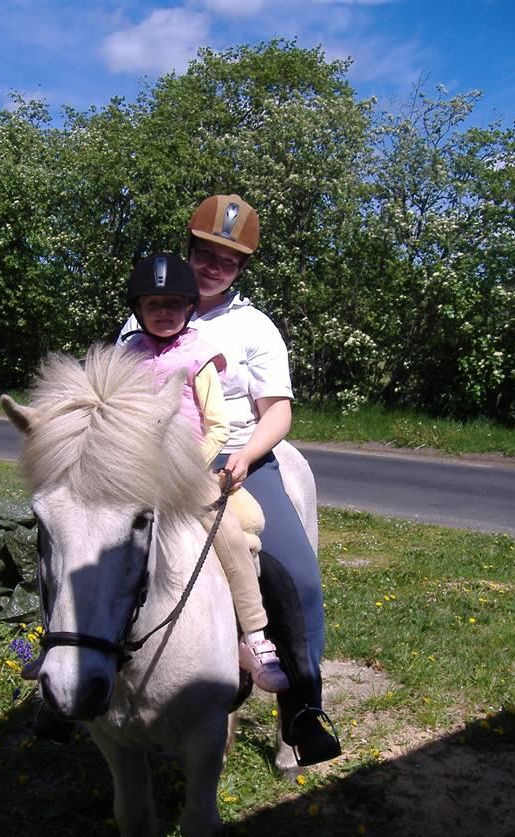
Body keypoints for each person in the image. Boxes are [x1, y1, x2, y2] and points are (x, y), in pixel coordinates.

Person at [119, 195, 340, 766]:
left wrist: (242, 455)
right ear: (189, 251)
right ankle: (72, 673)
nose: (216, 267)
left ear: (242, 269)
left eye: (230, 261)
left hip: (237, 459)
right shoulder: (148, 312)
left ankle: (303, 710)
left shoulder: (253, 326)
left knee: (298, 574)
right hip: (149, 461)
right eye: (207, 254)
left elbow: (278, 411)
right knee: (78, 541)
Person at [123, 253, 288, 693]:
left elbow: (218, 425)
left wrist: (186, 467)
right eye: (153, 305)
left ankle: (255, 636)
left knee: (228, 533)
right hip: (132, 469)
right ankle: (62, 641)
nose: (163, 314)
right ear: (138, 310)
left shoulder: (199, 357)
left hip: (186, 469)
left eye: (173, 305)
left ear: (189, 309)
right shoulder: (126, 355)